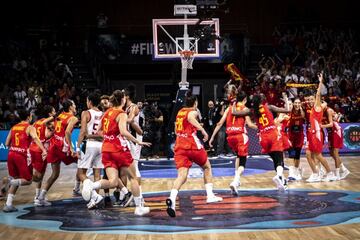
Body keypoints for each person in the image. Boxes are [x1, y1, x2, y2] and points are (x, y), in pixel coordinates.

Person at [81, 90, 151, 216]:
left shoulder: (107, 112)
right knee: (133, 178)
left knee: (113, 181)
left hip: (106, 149)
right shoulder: (121, 113)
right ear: (123, 100)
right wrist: (137, 141)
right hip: (119, 149)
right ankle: (139, 207)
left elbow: (99, 131)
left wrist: (109, 136)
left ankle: (91, 186)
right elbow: (123, 132)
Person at [166, 91, 223, 218]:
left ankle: (172, 199)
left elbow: (176, 129)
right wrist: (202, 130)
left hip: (179, 146)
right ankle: (210, 196)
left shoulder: (180, 112)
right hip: (191, 144)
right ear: (195, 103)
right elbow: (191, 118)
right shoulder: (194, 111)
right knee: (207, 167)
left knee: (182, 176)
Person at [232, 92, 291, 191]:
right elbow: (287, 110)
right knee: (279, 158)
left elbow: (234, 113)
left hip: (262, 137)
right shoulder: (269, 107)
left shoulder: (252, 111)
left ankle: (281, 179)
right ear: (261, 100)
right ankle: (279, 175)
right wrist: (285, 98)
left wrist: (234, 104)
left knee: (274, 158)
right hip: (272, 133)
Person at [209, 91, 257, 195]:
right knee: (243, 162)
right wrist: (261, 128)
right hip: (240, 136)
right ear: (244, 100)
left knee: (238, 157)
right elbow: (249, 124)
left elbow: (220, 123)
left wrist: (212, 137)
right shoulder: (244, 109)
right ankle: (235, 181)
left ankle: (236, 180)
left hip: (230, 137)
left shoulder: (229, 108)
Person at [3, 109, 47, 212]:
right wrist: (44, 150)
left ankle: (8, 204)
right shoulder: (29, 127)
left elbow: (6, 143)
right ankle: (9, 181)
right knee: (28, 180)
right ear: (29, 116)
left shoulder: (14, 127)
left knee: (17, 178)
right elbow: (36, 139)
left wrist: (15, 147)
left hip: (11, 154)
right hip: (21, 156)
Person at [37, 100, 78, 206]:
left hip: (53, 146)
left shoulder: (59, 115)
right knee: (82, 162)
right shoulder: (73, 118)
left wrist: (52, 128)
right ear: (70, 107)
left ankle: (41, 197)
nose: (75, 106)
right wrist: (71, 148)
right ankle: (77, 188)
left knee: (55, 174)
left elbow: (44, 123)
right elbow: (68, 132)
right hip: (62, 147)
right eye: (74, 105)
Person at [304, 73, 336, 182]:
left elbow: (318, 95)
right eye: (309, 99)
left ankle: (330, 173)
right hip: (312, 133)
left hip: (317, 133)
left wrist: (320, 81)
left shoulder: (317, 106)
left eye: (312, 99)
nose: (310, 101)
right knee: (308, 153)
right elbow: (322, 102)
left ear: (317, 100)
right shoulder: (316, 107)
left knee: (318, 155)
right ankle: (315, 174)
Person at [76, 92, 104, 209]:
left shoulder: (85, 113)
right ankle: (95, 199)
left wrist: (77, 146)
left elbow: (83, 132)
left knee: (81, 173)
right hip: (100, 145)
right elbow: (102, 134)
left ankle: (94, 196)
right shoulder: (103, 114)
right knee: (97, 175)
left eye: (87, 101)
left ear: (90, 102)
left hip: (88, 145)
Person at [30, 105, 56, 206]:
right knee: (38, 176)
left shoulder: (37, 122)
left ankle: (37, 196)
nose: (55, 112)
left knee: (40, 174)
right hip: (40, 150)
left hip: (33, 147)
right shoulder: (47, 123)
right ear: (50, 114)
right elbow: (46, 136)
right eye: (53, 111)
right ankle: (20, 179)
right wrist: (54, 132)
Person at [321, 103, 350, 180]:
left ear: (325, 104)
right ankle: (344, 169)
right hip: (330, 132)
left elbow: (331, 124)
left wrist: (321, 126)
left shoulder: (328, 110)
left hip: (336, 131)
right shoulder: (321, 111)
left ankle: (337, 174)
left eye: (322, 104)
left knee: (335, 152)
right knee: (331, 152)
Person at [287, 98, 305, 180]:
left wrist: (300, 108)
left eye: (299, 103)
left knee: (297, 155)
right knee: (291, 154)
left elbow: (303, 116)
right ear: (293, 103)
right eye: (295, 103)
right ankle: (291, 173)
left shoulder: (302, 111)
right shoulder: (290, 111)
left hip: (299, 136)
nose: (297, 104)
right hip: (291, 135)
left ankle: (297, 171)